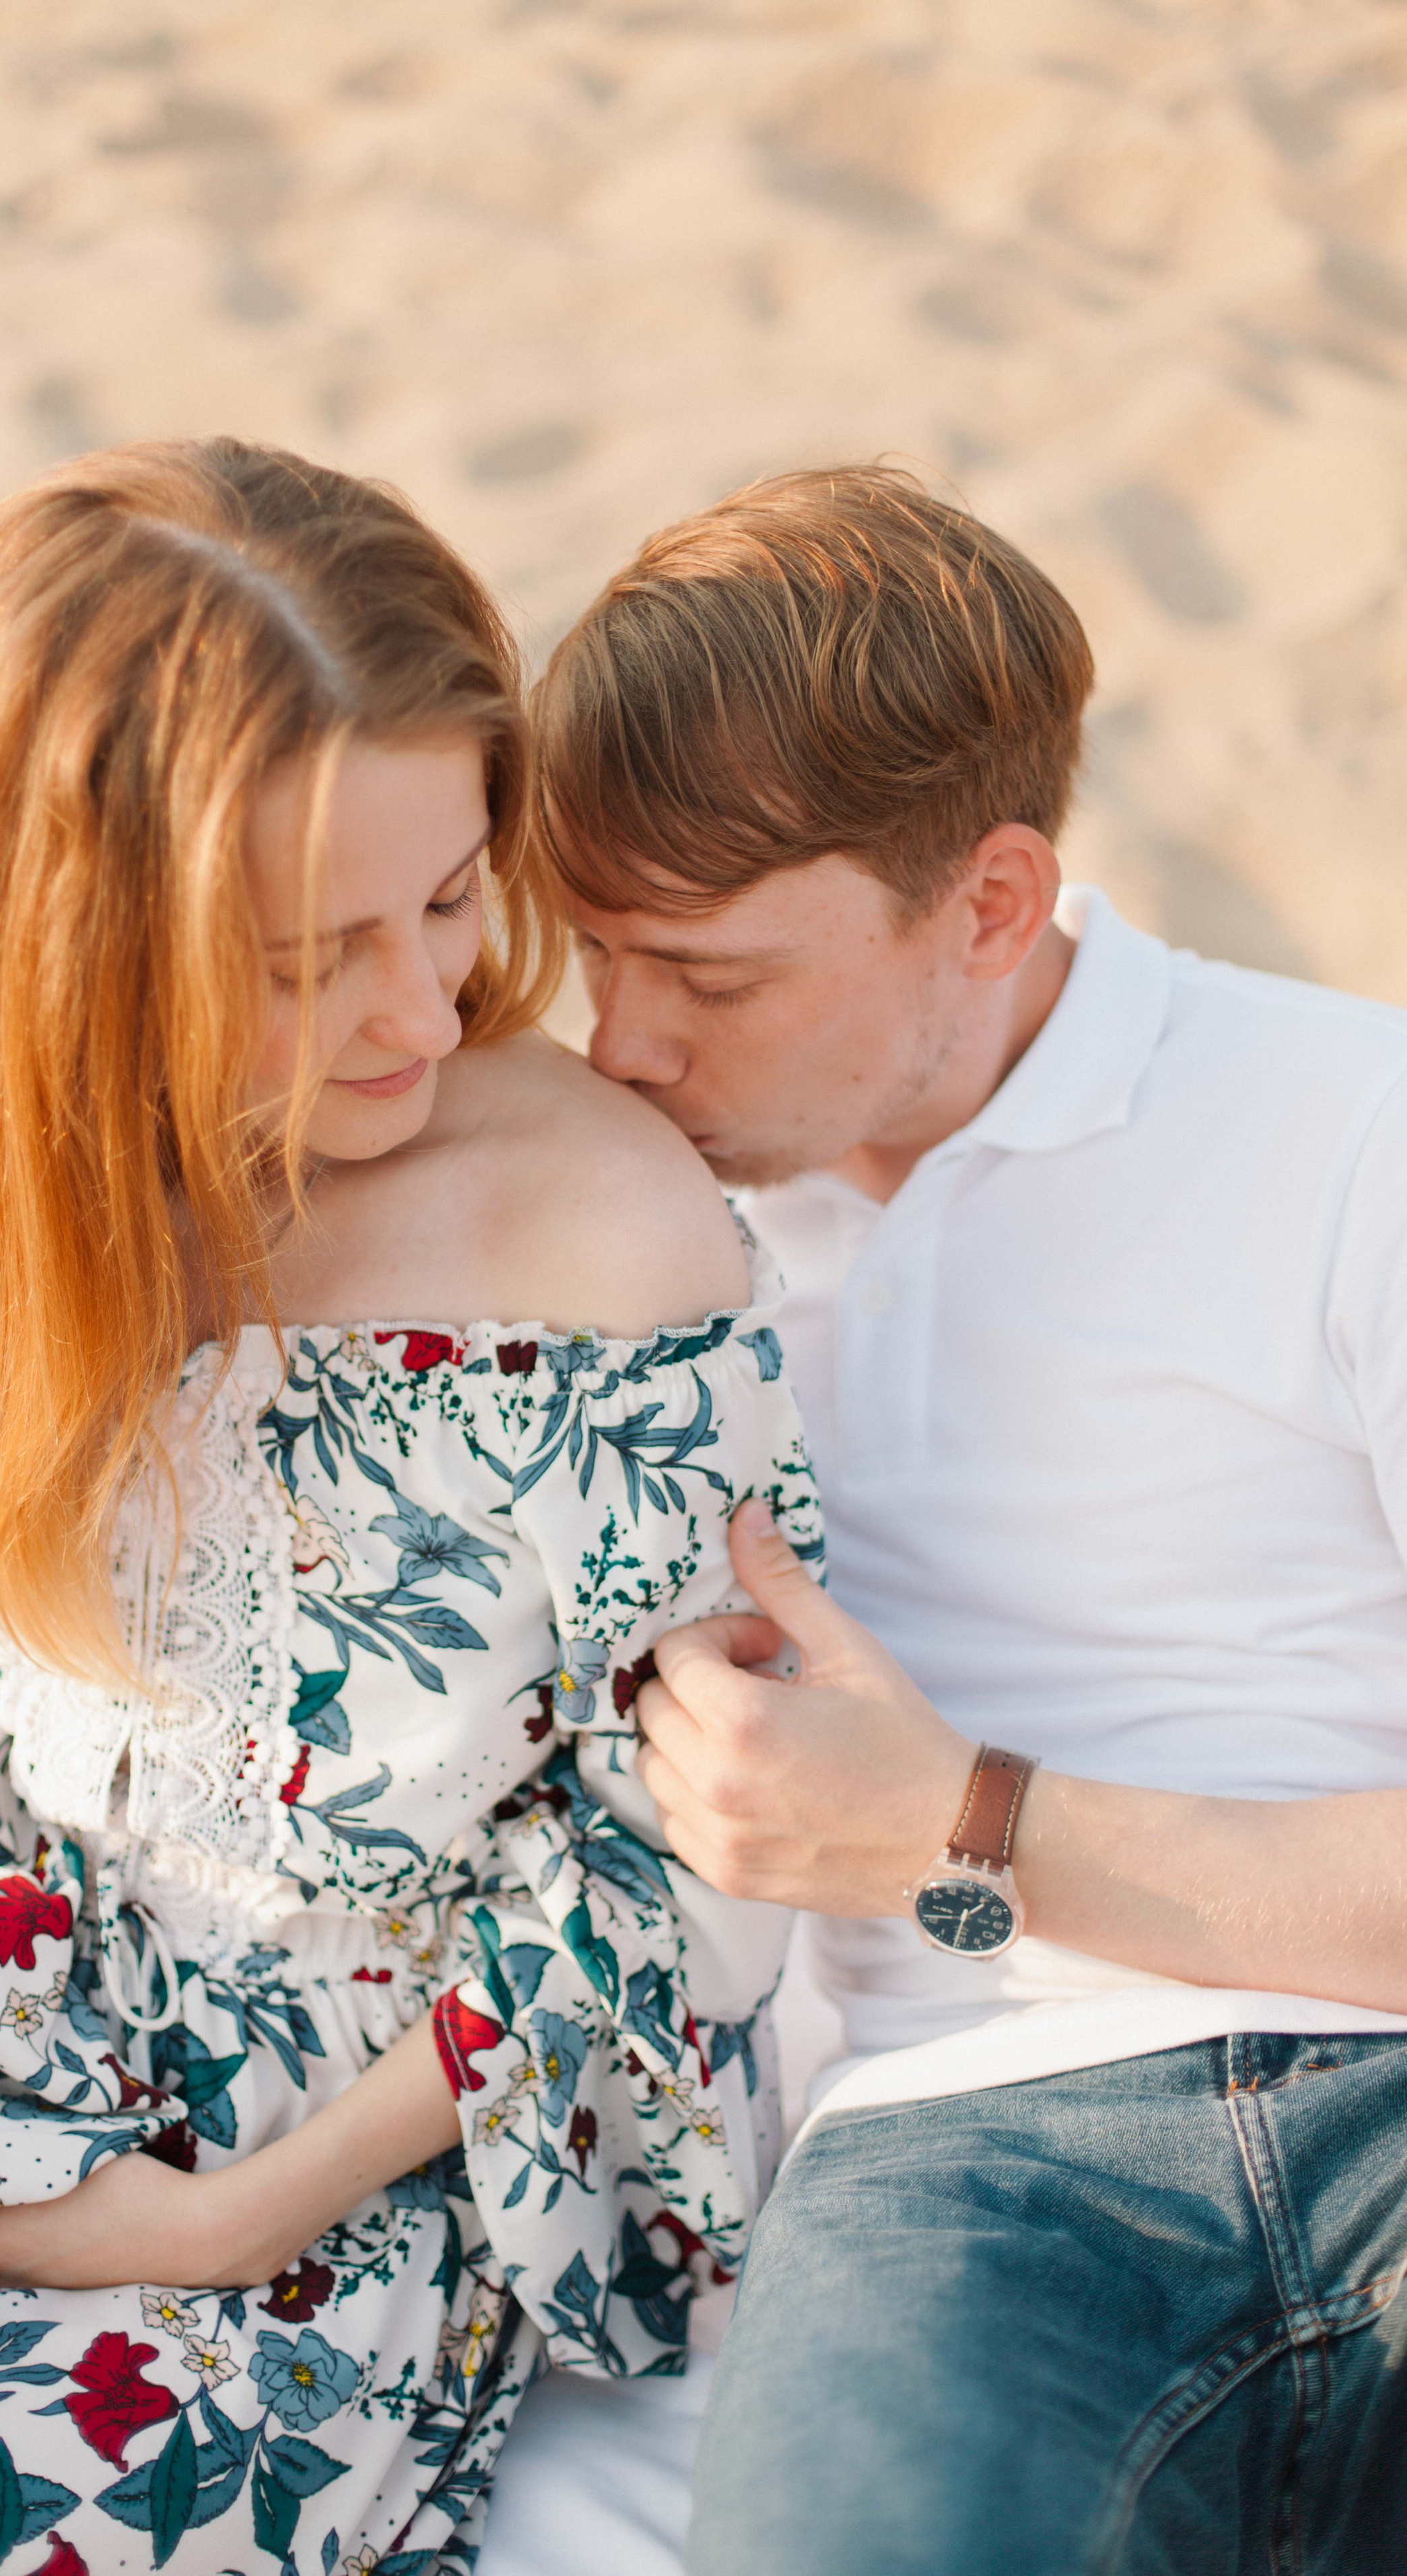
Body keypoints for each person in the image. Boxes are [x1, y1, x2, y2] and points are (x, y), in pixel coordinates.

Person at [0, 439, 822, 2571]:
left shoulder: (588, 1233)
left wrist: (229, 2219)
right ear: (64, 952)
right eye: (309, 960)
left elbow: (678, 1867)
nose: (422, 1009)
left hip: (348, 2191)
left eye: (455, 894)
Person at [492, 463, 1407, 2575]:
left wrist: (964, 1830)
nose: (624, 1044)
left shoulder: (1353, 1135)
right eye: (594, 955)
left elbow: (950, 1836)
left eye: (709, 977)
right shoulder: (628, 1223)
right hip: (964, 2167)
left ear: (991, 904)